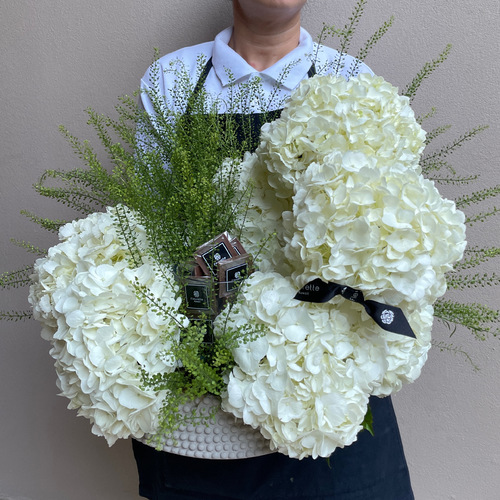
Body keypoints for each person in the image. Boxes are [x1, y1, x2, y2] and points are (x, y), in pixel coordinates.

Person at [133, 1, 414, 498]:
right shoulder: (172, 78)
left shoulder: (347, 78)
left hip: (325, 384)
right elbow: (147, 231)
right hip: (210, 398)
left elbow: (390, 231)